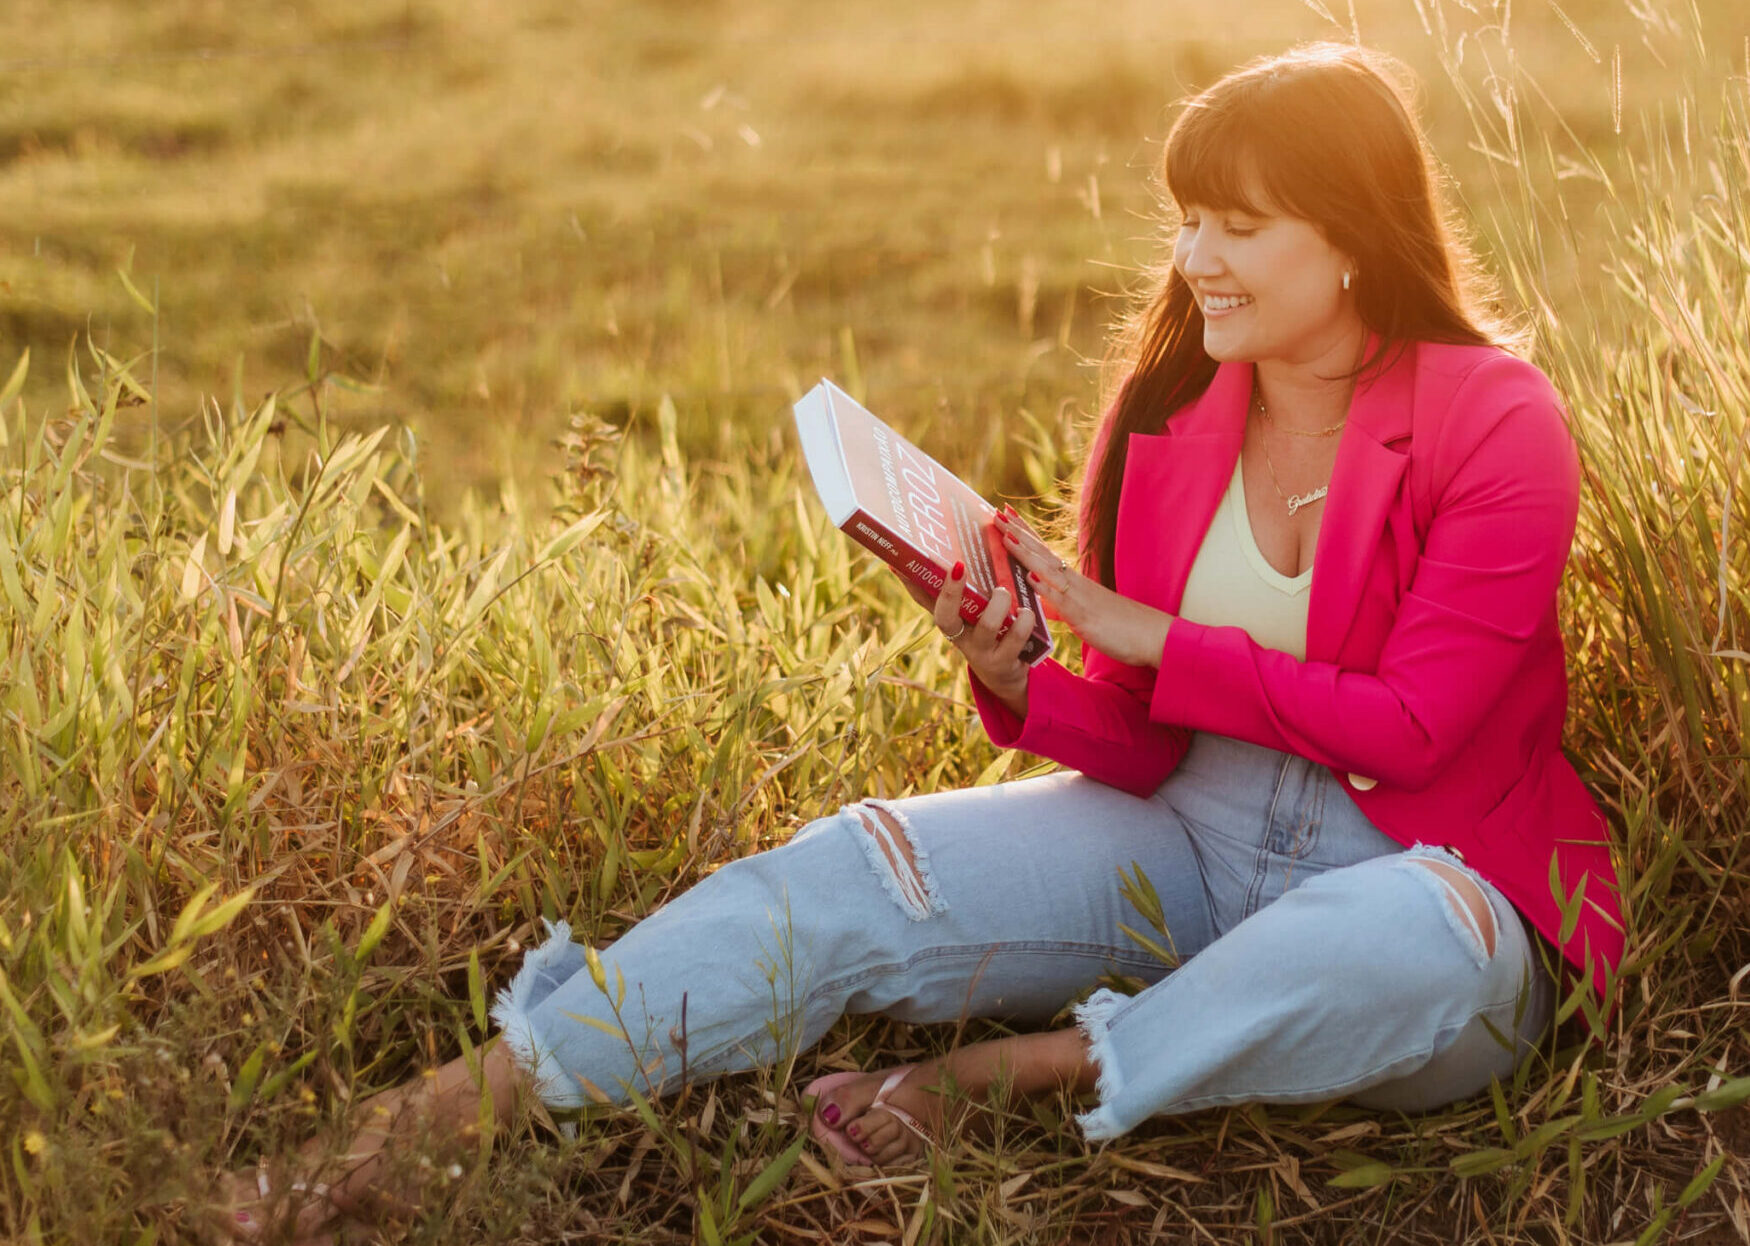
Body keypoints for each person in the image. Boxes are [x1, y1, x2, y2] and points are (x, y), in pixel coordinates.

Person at [218, 40, 1623, 1238]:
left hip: (1419, 866)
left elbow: (1415, 723)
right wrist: (1013, 673)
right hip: (1192, 836)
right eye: (1185, 218)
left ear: (1353, 234)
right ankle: (469, 1096)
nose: (1192, 258)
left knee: (1417, 949)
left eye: (1237, 226)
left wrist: (1138, 625)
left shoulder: (1494, 418)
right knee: (855, 860)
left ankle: (1019, 1069)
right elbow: (1140, 736)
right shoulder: (1167, 415)